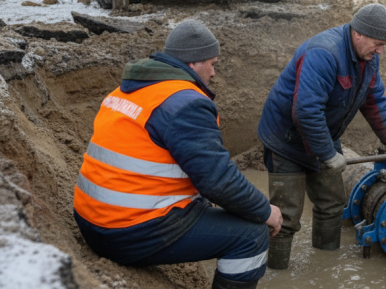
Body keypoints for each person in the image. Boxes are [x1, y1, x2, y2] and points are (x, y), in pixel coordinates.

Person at [74, 20, 283, 289]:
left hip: (91, 221)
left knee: (205, 205)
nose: (214, 73)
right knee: (251, 236)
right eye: (212, 64)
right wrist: (265, 210)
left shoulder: (132, 90)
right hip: (125, 233)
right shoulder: (186, 104)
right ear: (193, 63)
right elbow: (218, 180)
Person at [257, 3, 386, 269]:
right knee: (286, 215)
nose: (381, 51)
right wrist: (328, 154)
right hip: (286, 140)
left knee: (332, 203)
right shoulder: (324, 53)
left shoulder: (368, 59)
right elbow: (306, 111)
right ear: (358, 33)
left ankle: (325, 268)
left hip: (321, 134)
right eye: (378, 44)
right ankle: (276, 273)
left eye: (384, 45)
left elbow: (374, 101)